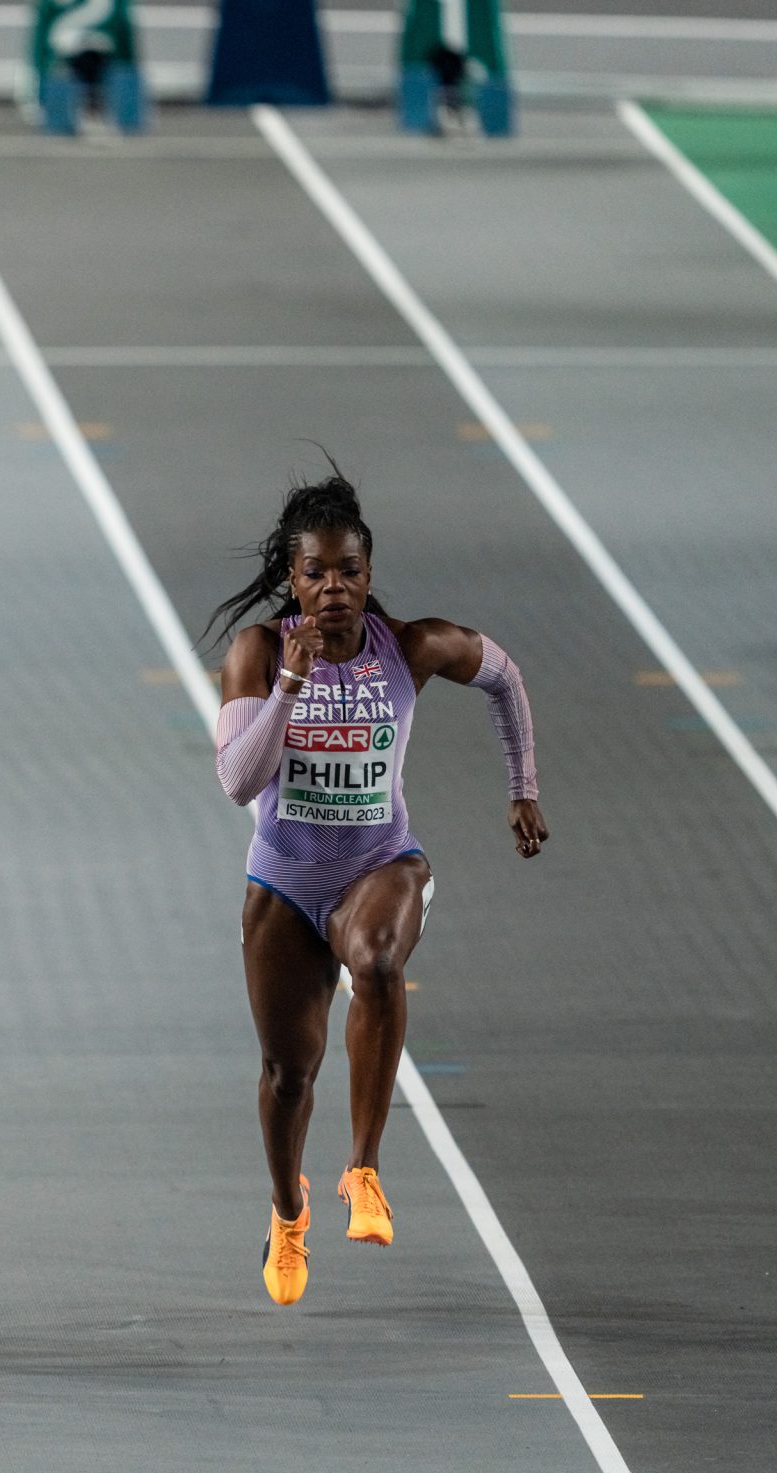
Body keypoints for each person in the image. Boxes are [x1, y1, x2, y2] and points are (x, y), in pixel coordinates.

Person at [211, 467, 545, 1305]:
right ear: (294, 579)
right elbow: (238, 782)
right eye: (315, 572)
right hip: (286, 880)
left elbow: (504, 675)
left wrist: (524, 785)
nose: (332, 589)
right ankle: (289, 1214)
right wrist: (290, 684)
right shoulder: (256, 651)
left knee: (379, 962)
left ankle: (363, 1169)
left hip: (379, 863)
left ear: (368, 573)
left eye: (348, 571)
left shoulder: (411, 646)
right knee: (290, 1072)